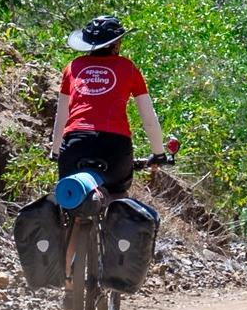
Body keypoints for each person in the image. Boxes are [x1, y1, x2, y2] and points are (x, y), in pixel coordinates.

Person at [49, 14, 172, 194]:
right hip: (115, 146)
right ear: (115, 45)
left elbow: (62, 117)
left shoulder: (72, 67)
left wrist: (55, 151)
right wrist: (159, 154)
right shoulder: (128, 68)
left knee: (68, 196)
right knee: (118, 196)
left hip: (75, 145)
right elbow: (149, 119)